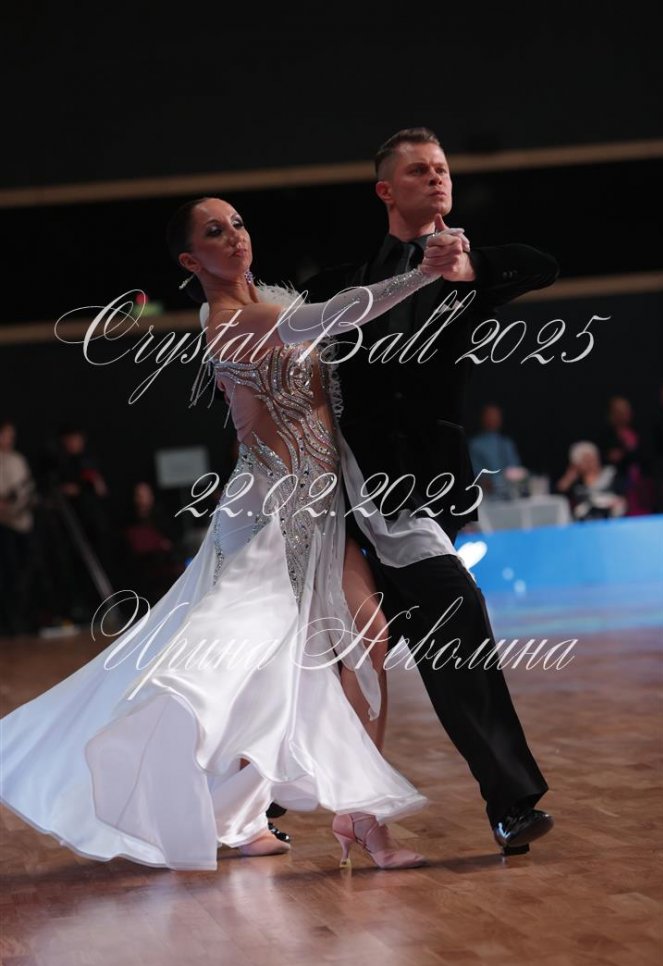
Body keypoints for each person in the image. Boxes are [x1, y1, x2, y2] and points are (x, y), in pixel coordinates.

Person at [0, 196, 469, 873]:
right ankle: (255, 809)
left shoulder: (269, 299)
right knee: (239, 666)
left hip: (320, 507)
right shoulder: (227, 322)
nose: (235, 236)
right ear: (192, 260)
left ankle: (342, 814)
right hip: (266, 517)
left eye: (239, 223)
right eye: (215, 232)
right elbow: (329, 317)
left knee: (366, 637)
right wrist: (422, 272)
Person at [300, 126, 558, 854]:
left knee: (446, 637)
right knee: (337, 657)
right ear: (386, 190)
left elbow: (544, 264)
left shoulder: (469, 272)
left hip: (419, 500)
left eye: (442, 168)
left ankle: (509, 803)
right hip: (342, 504)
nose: (437, 177)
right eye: (419, 170)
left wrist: (468, 267)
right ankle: (256, 803)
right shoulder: (342, 283)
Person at [0, 419, 36, 635]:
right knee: (9, 574)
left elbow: (27, 488)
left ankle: (25, 618)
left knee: (25, 573)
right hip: (4, 525)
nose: (8, 439)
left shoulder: (17, 460)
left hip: (23, 522)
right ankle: (10, 622)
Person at [469, 403, 527, 500]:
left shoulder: (507, 443)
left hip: (510, 494)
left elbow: (515, 469)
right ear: (483, 418)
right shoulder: (475, 445)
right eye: (490, 416)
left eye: (496, 416)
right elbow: (475, 472)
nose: (493, 419)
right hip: (486, 496)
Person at [556, 441, 626, 520]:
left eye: (592, 458)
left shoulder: (612, 474)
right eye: (585, 460)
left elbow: (623, 496)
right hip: (584, 522)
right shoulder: (577, 483)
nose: (590, 463)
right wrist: (569, 478)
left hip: (612, 519)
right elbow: (558, 498)